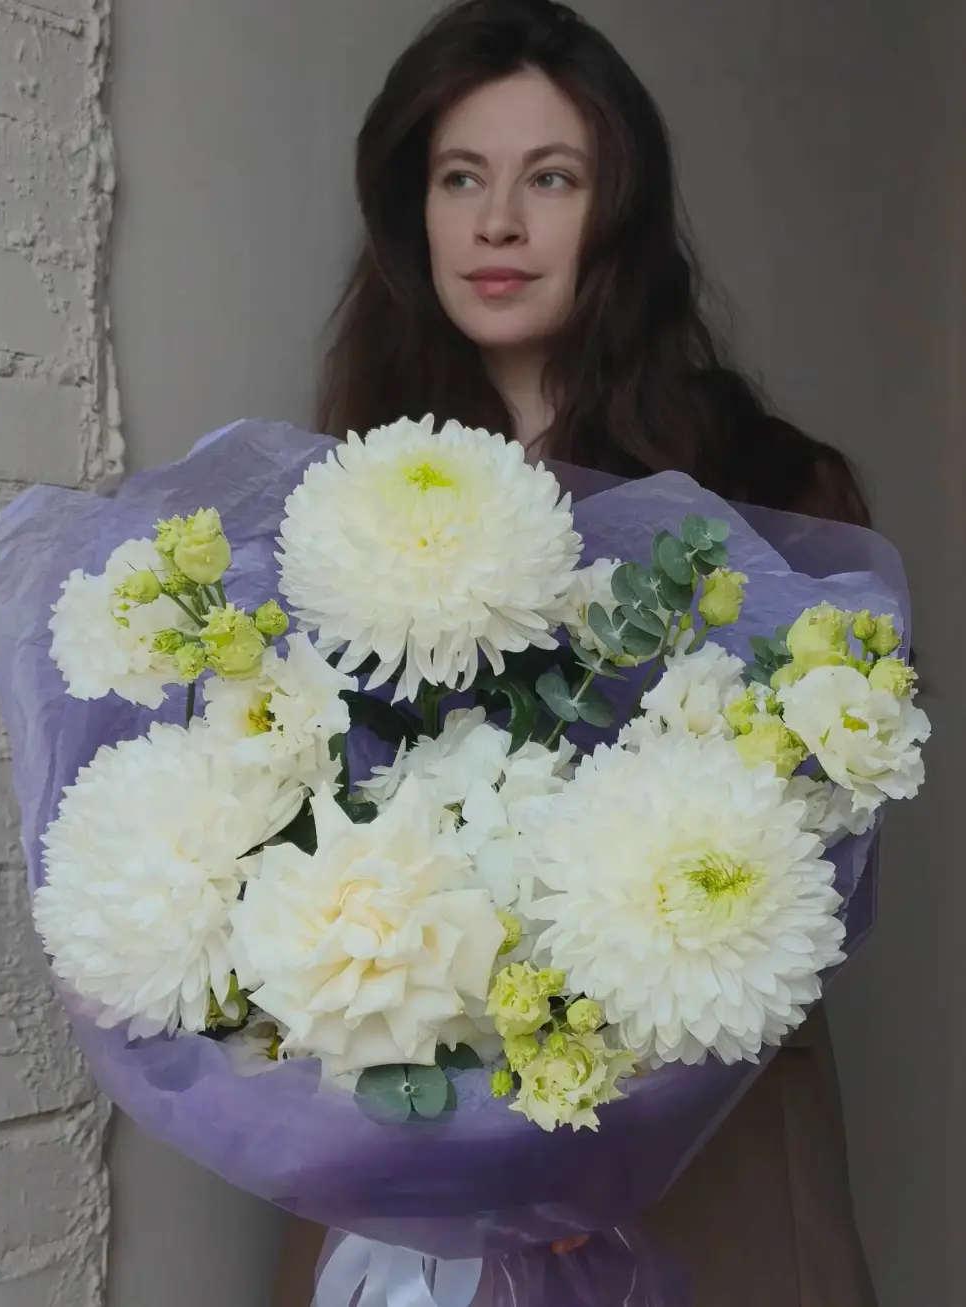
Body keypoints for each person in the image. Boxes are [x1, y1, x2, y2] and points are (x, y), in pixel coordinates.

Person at [273, 2, 876, 1303]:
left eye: (551, 177)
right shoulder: (340, 507)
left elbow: (818, 843)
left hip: (698, 1159)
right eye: (460, 178)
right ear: (414, 214)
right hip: (409, 1174)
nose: (498, 222)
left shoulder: (772, 493)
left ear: (620, 212)